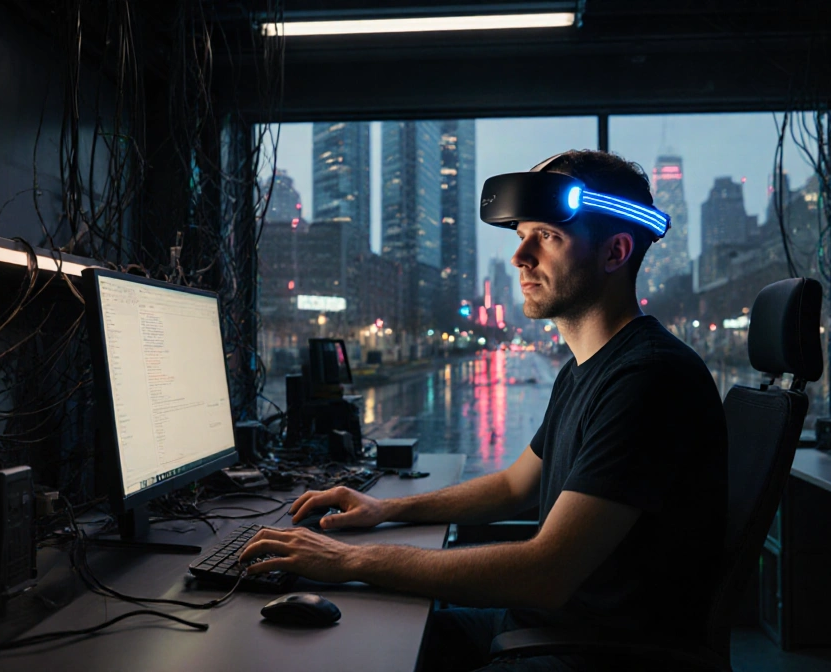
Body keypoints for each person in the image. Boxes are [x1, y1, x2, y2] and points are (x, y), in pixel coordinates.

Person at [241, 150, 727, 671]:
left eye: (548, 237)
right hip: (544, 628)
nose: (521, 257)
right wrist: (386, 510)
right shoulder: (585, 368)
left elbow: (547, 572)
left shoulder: (649, 379)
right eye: (521, 236)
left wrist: (353, 559)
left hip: (590, 654)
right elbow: (516, 485)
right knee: (355, 635)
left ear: (615, 253)